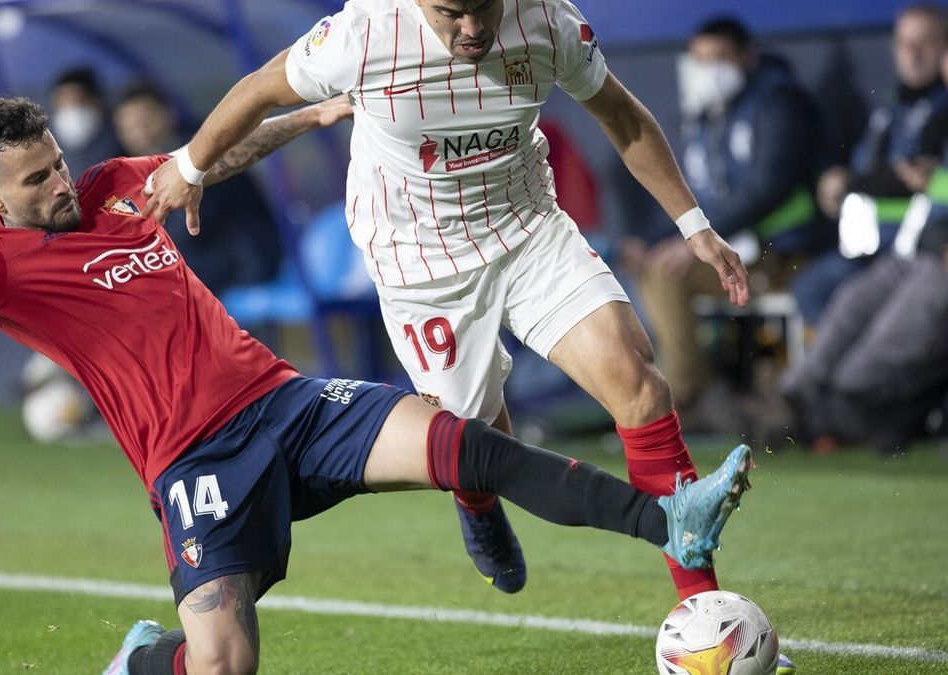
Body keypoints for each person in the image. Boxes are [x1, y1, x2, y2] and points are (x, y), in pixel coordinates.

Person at [0, 97, 753, 675]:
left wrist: (312, 116)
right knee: (223, 664)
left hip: (284, 405)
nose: (62, 184)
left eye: (58, 161)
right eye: (38, 179)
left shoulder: (119, 184)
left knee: (462, 438)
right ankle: (143, 659)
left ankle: (666, 520)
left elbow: (211, 156)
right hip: (195, 464)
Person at [144, 0, 759, 616]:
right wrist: (190, 166)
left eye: (483, 8)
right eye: (449, 13)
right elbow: (258, 89)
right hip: (420, 265)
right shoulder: (362, 32)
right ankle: (477, 505)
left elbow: (622, 117)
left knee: (639, 385)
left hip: (526, 228)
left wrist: (693, 224)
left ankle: (706, 618)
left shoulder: (548, 21)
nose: (471, 30)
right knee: (472, 444)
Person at [627, 17, 825, 427]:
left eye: (718, 59)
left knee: (669, 273)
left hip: (780, 251)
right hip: (734, 248)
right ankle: (695, 388)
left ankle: (682, 395)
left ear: (746, 58)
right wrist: (653, 238)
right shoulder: (708, 114)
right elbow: (699, 197)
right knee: (655, 266)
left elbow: (768, 190)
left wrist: (692, 242)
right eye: (699, 61)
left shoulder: (779, 102)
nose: (708, 71)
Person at [793, 4, 948, 325]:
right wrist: (840, 181)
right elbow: (867, 172)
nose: (914, 54)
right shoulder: (889, 109)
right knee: (809, 289)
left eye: (926, 42)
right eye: (905, 43)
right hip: (867, 249)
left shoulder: (941, 110)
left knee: (859, 306)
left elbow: (920, 181)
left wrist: (856, 181)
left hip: (916, 247)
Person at [112, 82, 285, 296]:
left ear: (169, 113)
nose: (140, 133)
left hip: (247, 258)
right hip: (215, 260)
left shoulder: (200, 151)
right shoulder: (146, 168)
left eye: (145, 121)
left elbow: (191, 228)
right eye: (128, 129)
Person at [48, 67, 123, 176]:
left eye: (78, 100)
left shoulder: (123, 141)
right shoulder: (45, 149)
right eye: (63, 102)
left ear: (97, 102)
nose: (71, 109)